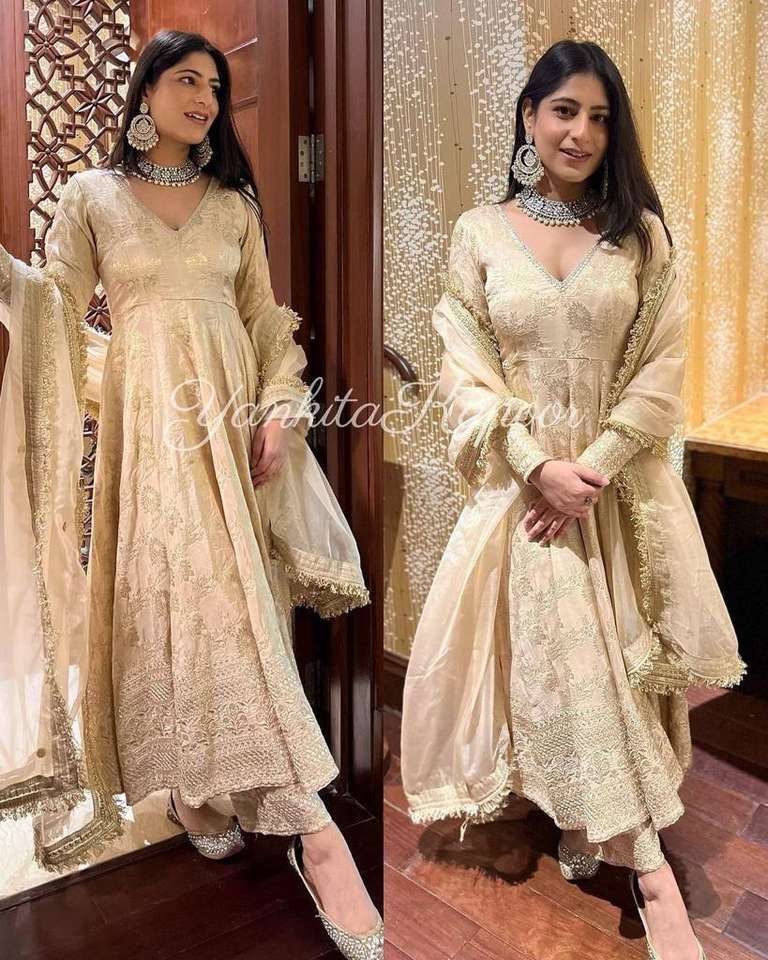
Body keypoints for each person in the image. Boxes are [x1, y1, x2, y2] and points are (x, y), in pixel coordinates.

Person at [0, 29, 383, 960]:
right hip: (147, 445)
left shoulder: (235, 207)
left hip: (231, 441)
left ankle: (304, 826)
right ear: (147, 91)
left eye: (215, 83)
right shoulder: (92, 197)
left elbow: (266, 324)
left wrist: (283, 409)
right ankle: (214, 796)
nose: (206, 97)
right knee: (164, 612)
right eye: (187, 79)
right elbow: (54, 310)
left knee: (234, 614)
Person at [400, 39, 746, 960]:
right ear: (528, 115)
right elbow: (462, 370)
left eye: (599, 116)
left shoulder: (641, 236)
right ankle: (630, 852)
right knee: (554, 657)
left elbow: (661, 371)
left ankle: (629, 847)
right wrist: (532, 465)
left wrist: (585, 470)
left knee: (614, 663)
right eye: (564, 110)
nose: (581, 132)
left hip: (613, 494)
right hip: (524, 496)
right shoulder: (480, 231)